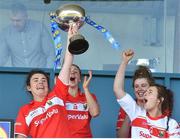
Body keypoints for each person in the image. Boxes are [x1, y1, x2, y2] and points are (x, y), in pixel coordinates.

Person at [14, 24, 77, 137]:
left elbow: (67, 65)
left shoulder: (57, 95)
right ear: (29, 87)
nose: (40, 82)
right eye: (36, 80)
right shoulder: (25, 110)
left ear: (48, 85)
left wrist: (70, 39)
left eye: (43, 80)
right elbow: (21, 136)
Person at [114, 49, 180, 138]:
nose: (141, 91)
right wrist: (124, 62)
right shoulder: (136, 112)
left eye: (148, 90)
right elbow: (117, 89)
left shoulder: (171, 124)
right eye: (136, 86)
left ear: (159, 100)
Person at [0, 2, 55, 68]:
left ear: (26, 17)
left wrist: (47, 73)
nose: (15, 24)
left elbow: (50, 53)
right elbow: (2, 58)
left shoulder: (39, 28)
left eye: (18, 20)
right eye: (12, 20)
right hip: (18, 74)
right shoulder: (6, 33)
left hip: (39, 74)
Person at [116, 63, 155, 137]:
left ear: (151, 88)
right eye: (136, 86)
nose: (140, 89)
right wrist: (129, 115)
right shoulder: (126, 107)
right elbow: (120, 137)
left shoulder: (158, 107)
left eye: (143, 85)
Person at [65, 64, 100, 137]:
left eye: (75, 72)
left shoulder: (89, 96)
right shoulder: (59, 97)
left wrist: (86, 88)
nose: (72, 73)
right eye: (69, 71)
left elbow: (95, 113)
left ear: (79, 79)